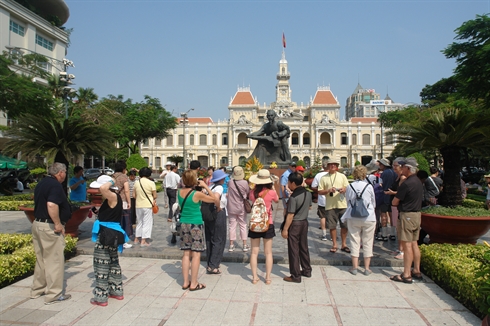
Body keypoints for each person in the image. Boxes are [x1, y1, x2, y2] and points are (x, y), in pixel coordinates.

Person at [31, 162, 72, 304]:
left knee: (41, 259)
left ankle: (38, 289)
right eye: (65, 172)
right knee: (54, 261)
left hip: (38, 224)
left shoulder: (42, 183)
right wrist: (58, 224)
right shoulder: (54, 185)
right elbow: (51, 204)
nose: (65, 175)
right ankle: (53, 294)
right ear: (60, 173)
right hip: (49, 226)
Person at [89, 175, 129, 306]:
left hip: (107, 234)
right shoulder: (111, 198)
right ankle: (116, 291)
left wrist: (111, 181)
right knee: (113, 262)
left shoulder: (112, 195)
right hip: (113, 233)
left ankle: (101, 297)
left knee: (101, 264)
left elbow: (102, 187)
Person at [178, 170, 219, 291]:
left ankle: (186, 281)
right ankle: (194, 283)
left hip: (183, 223)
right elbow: (214, 199)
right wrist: (206, 185)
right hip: (195, 224)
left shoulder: (179, 192)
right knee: (196, 254)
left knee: (186, 253)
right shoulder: (196, 194)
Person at [391, 157, 424, 284]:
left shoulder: (407, 183)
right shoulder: (418, 181)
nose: (401, 168)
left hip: (407, 215)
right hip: (416, 215)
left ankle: (406, 274)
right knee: (414, 243)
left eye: (403, 166)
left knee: (407, 244)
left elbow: (395, 202)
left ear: (408, 168)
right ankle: (416, 270)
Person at [340, 165, 376, 276]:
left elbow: (348, 201)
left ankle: (354, 267)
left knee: (354, 241)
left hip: (353, 216)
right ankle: (366, 268)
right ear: (365, 174)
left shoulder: (350, 186)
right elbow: (373, 202)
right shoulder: (369, 186)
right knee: (368, 242)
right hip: (368, 217)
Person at [248, 169, 279, 284]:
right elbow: (276, 200)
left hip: (255, 223)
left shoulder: (252, 192)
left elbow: (251, 199)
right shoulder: (271, 192)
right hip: (267, 223)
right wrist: (273, 187)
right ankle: (268, 277)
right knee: (268, 253)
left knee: (254, 252)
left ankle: (254, 277)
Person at [281, 172, 312, 283]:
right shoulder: (308, 193)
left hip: (295, 224)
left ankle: (295, 275)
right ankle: (307, 269)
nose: (288, 184)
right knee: (303, 247)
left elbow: (290, 215)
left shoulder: (294, 197)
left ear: (293, 183)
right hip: (304, 222)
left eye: (289, 182)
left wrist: (285, 229)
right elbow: (309, 207)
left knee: (293, 249)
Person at [317, 159, 350, 253]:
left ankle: (344, 244)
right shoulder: (324, 178)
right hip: (330, 205)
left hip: (342, 204)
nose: (332, 166)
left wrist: (344, 190)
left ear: (337, 166)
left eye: (334, 164)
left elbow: (347, 187)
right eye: (331, 164)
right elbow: (319, 191)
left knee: (344, 226)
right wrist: (328, 191)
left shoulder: (342, 176)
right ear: (328, 166)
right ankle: (334, 244)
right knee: (332, 226)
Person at [205, 170, 227, 274]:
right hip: (218, 214)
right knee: (219, 238)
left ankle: (210, 262)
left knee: (210, 238)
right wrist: (218, 207)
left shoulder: (210, 187)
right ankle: (214, 265)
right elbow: (216, 198)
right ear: (221, 179)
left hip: (208, 214)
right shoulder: (219, 187)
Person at [384, 157, 406, 259]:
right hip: (394, 204)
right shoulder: (397, 177)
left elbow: (403, 192)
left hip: (399, 205)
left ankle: (402, 251)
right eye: (393, 165)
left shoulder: (402, 178)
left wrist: (393, 193)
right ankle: (399, 248)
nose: (394, 167)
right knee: (398, 228)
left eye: (396, 165)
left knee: (401, 229)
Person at [227, 166, 251, 252]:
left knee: (232, 226)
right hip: (241, 207)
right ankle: (244, 245)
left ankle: (231, 245)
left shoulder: (230, 182)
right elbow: (247, 192)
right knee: (243, 225)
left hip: (231, 207)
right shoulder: (245, 182)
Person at [133, 167, 157, 246]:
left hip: (138, 205)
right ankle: (143, 240)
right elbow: (155, 195)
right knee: (147, 222)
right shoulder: (151, 183)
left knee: (139, 222)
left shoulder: (136, 182)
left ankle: (136, 238)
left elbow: (134, 195)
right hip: (147, 205)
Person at [112, 161, 133, 249]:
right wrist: (129, 202)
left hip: (113, 201)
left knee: (115, 221)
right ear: (123, 168)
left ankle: (114, 240)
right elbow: (127, 190)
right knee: (123, 222)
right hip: (122, 201)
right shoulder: (124, 177)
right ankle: (122, 241)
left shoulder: (112, 176)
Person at [377, 158, 397, 241]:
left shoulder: (384, 173)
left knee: (383, 215)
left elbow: (381, 184)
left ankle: (384, 234)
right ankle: (393, 233)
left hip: (385, 195)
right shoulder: (394, 172)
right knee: (392, 215)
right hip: (393, 195)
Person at [310, 160, 329, 241]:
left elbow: (313, 186)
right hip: (333, 200)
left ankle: (324, 234)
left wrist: (319, 191)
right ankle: (332, 235)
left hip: (322, 199)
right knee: (332, 217)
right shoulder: (334, 175)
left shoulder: (319, 175)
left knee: (323, 217)